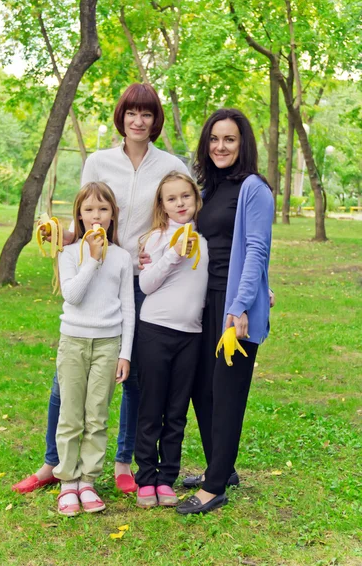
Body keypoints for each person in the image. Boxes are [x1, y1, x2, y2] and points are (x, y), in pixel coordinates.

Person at [12, 83, 188, 495]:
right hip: (96, 272)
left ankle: (123, 461)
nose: (138, 121)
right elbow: (84, 210)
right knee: (65, 381)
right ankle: (53, 463)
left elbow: (179, 215)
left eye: (146, 114)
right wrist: (61, 235)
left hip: (143, 280)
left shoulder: (169, 164)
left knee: (132, 375)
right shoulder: (98, 160)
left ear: (155, 120)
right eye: (131, 113)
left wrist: (154, 247)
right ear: (122, 117)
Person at [176, 108, 274, 515]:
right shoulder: (210, 188)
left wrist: (242, 304)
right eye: (214, 139)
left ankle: (215, 487)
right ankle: (223, 465)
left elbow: (256, 250)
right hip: (206, 302)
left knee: (228, 394)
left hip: (234, 308)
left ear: (243, 144)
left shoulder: (255, 188)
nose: (220, 146)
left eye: (229, 139)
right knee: (204, 388)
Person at [52, 182, 134, 516]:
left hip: (107, 344)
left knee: (96, 416)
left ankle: (88, 480)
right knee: (71, 416)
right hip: (73, 342)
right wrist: (92, 259)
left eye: (103, 209)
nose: (96, 216)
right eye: (89, 210)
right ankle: (67, 482)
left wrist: (125, 352)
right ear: (79, 215)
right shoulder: (69, 253)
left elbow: (128, 308)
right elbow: (72, 295)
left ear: (113, 214)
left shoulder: (123, 257)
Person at [134, 172, 208, 508]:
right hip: (155, 330)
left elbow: (220, 276)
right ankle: (145, 478)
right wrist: (173, 252)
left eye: (185, 197)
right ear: (162, 206)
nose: (180, 204)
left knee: (177, 411)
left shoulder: (206, 239)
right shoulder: (157, 238)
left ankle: (167, 478)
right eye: (172, 199)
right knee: (152, 408)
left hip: (190, 335)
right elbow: (146, 285)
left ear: (196, 199)